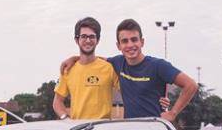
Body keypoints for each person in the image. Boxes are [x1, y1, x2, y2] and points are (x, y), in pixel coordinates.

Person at [61, 18, 198, 122]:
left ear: (142, 42)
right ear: (118, 45)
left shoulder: (158, 65)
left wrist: (172, 113)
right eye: (125, 41)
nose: (130, 45)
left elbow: (191, 85)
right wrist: (74, 58)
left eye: (134, 40)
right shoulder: (117, 63)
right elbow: (94, 60)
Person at [52, 17, 119, 120]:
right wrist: (66, 119)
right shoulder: (68, 69)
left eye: (92, 37)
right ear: (76, 40)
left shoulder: (109, 68)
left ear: (98, 40)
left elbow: (128, 92)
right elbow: (57, 102)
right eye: (84, 36)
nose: (88, 40)